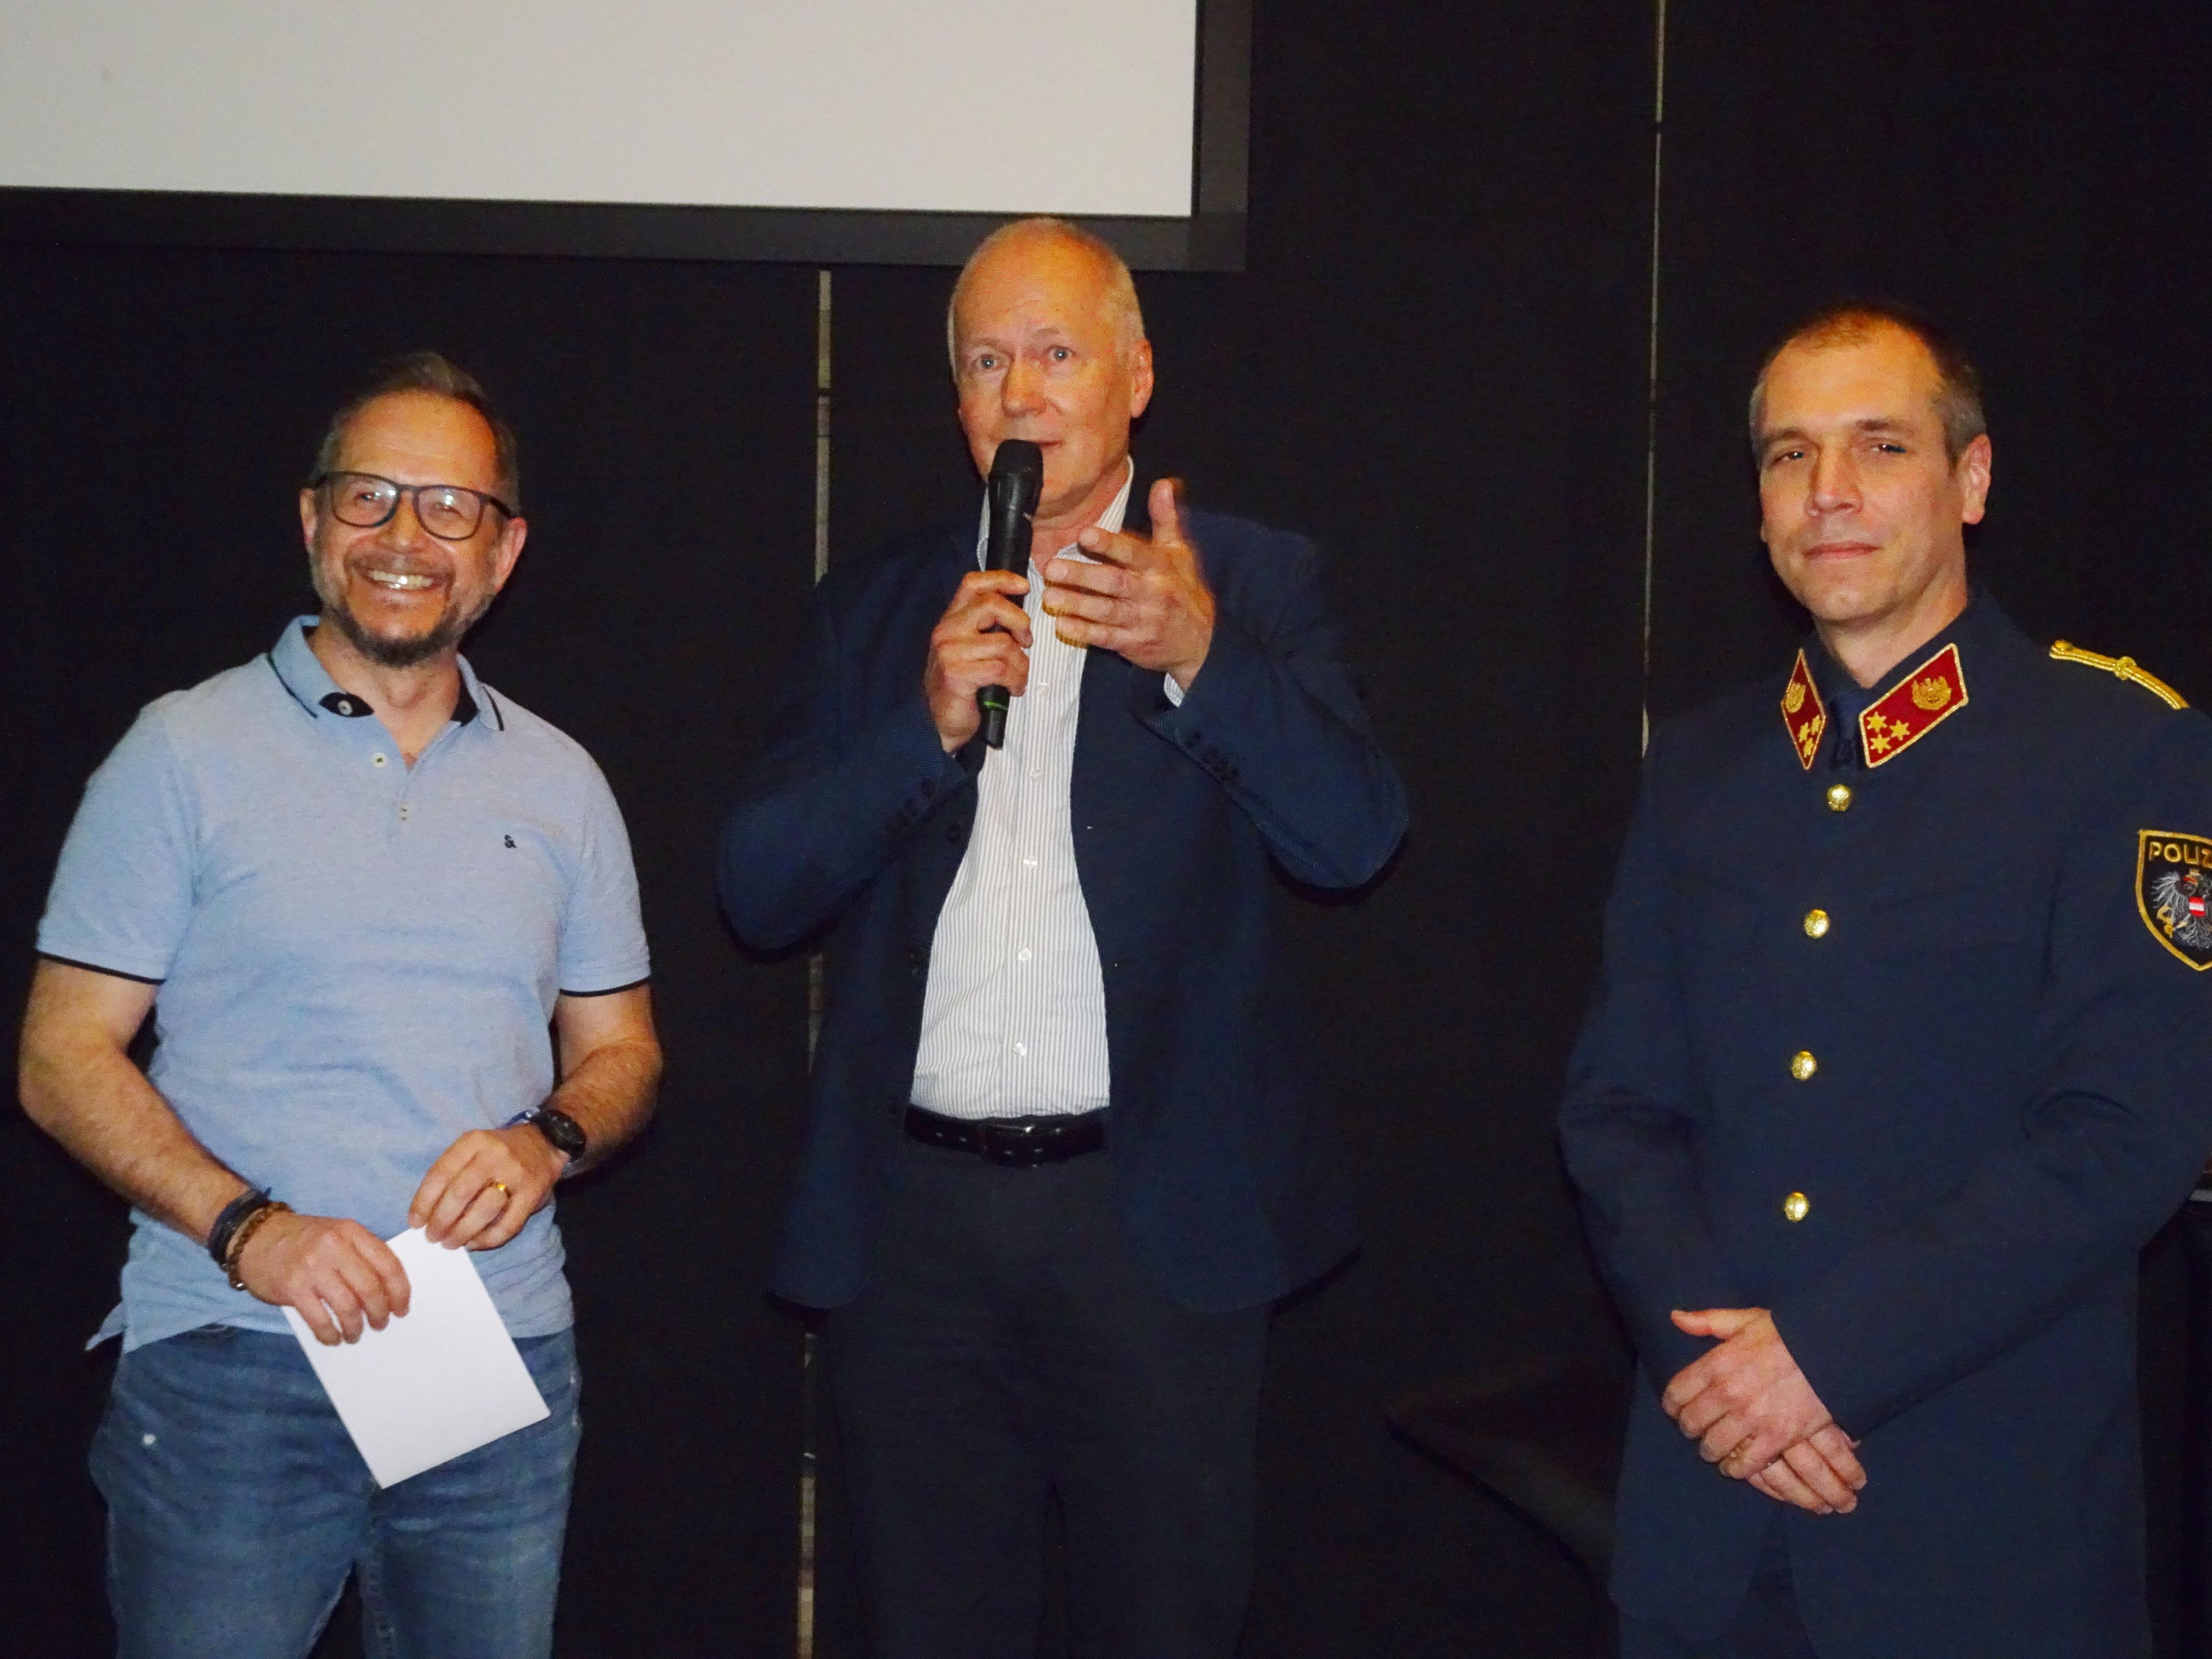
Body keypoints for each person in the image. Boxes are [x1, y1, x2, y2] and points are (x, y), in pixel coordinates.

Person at [720, 217, 1406, 1657]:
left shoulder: (1248, 582)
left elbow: (1353, 839)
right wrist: (922, 729)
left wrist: (1200, 657)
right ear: (957, 400)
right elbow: (758, 891)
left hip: (1147, 1226)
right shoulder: (878, 608)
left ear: (1135, 376)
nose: (1021, 392)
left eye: (1055, 353)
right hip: (915, 1230)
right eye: (987, 362)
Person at [1559, 302, 2212, 1657]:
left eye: (1879, 446)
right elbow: (1617, 1111)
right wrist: (1721, 1380)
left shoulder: (2121, 753)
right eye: (1788, 456)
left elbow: (2125, 1135)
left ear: (1970, 481)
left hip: (1976, 1530)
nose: (1828, 492)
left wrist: (1821, 1362)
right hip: (1710, 1507)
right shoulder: (1699, 769)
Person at [18, 353, 661, 1659]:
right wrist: (248, 1228)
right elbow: (60, 1055)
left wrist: (546, 1140)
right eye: (369, 496)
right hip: (232, 1361)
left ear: (503, 551)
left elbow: (624, 1052)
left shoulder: (564, 783)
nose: (403, 537)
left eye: (449, 507)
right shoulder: (180, 752)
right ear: (314, 521)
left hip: (490, 1362)